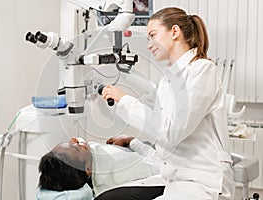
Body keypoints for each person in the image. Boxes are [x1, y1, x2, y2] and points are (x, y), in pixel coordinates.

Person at [101, 7, 235, 200]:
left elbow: (171, 133)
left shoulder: (202, 70)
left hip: (204, 180)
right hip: (177, 176)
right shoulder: (168, 80)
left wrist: (125, 101)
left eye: (152, 35)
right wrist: (134, 141)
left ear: (174, 32)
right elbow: (156, 122)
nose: (149, 45)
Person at [36, 137, 165, 200]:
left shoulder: (89, 158)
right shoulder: (117, 175)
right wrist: (133, 142)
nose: (74, 140)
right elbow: (164, 166)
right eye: (75, 146)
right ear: (88, 168)